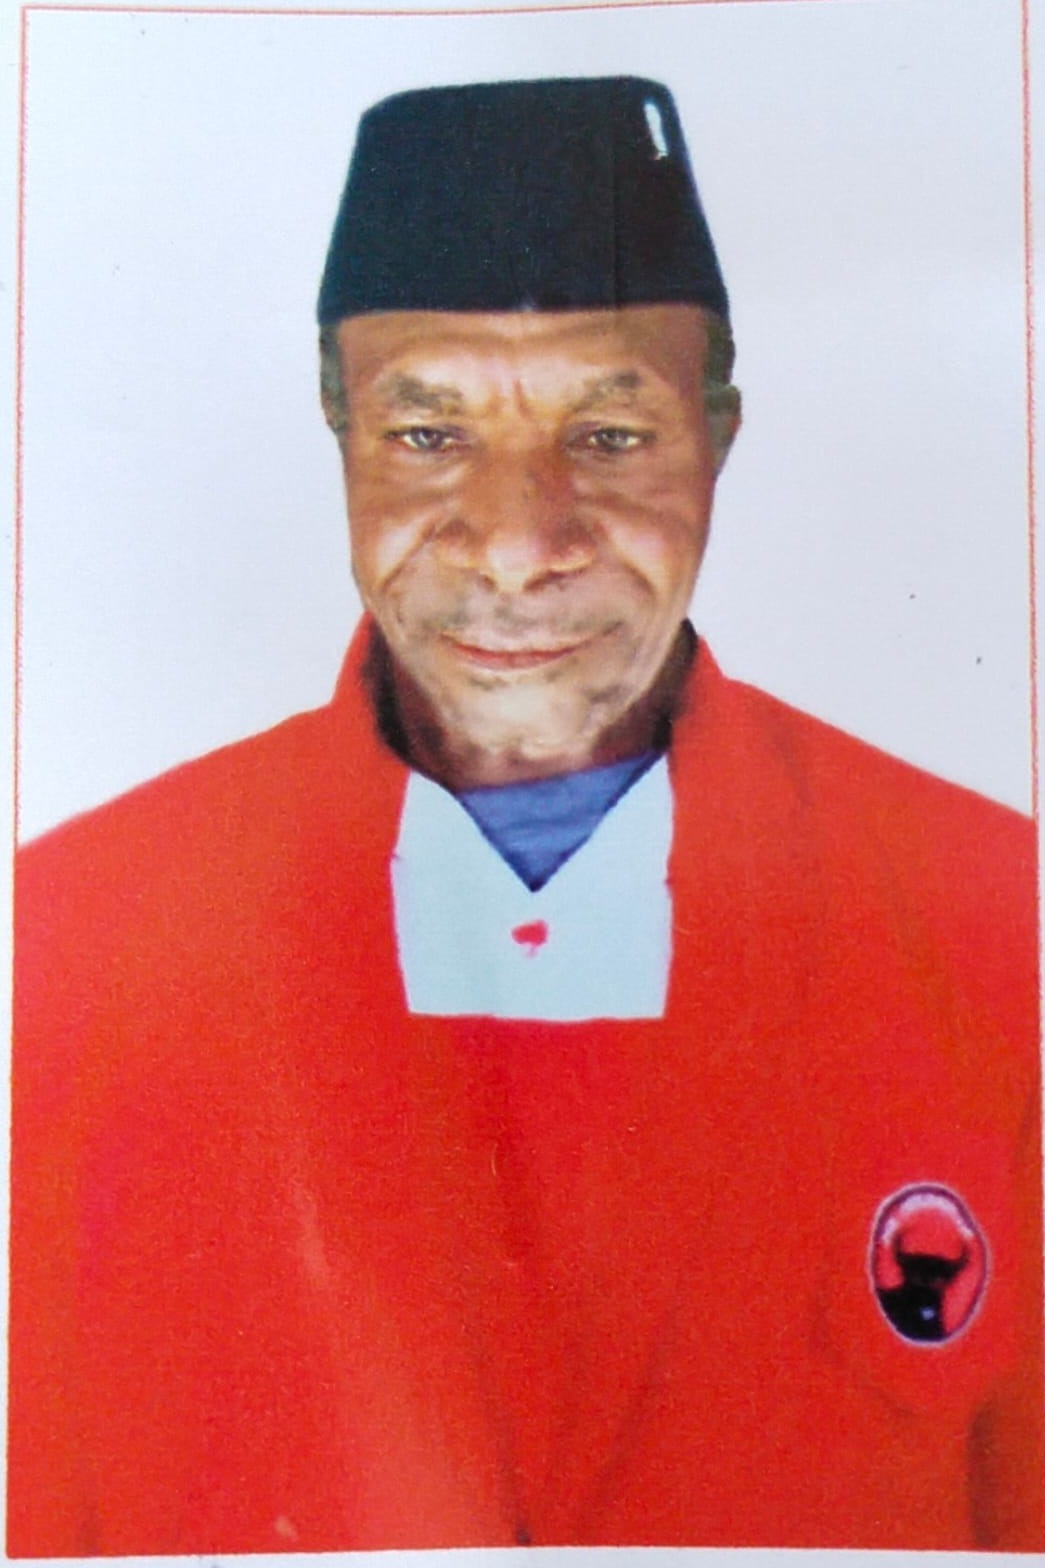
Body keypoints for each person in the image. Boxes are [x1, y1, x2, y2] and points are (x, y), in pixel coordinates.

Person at [8, 76, 1042, 1555]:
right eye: (427, 434)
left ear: (719, 434)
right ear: (338, 431)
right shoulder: (66, 943)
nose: (515, 544)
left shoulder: (997, 929)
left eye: (609, 436)